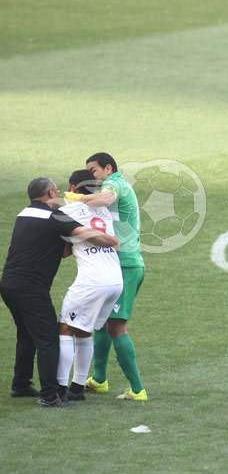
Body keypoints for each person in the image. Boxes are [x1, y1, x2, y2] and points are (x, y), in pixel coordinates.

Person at [0, 177, 118, 407]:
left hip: (9, 284)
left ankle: (21, 384)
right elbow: (93, 235)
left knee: (26, 334)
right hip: (31, 288)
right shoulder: (56, 217)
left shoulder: (24, 214)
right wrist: (112, 240)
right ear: (52, 192)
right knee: (48, 339)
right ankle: (50, 396)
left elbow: (59, 250)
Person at [71, 152, 147, 401]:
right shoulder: (118, 183)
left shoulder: (114, 183)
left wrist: (79, 198)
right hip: (121, 263)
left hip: (126, 264)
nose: (92, 175)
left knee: (117, 326)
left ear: (108, 168)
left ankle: (137, 390)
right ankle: (99, 379)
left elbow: (105, 199)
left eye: (93, 170)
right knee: (103, 322)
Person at [57, 170, 124, 401]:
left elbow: (63, 251)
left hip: (92, 280)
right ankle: (76, 389)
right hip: (115, 280)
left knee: (65, 328)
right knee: (84, 330)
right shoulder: (103, 210)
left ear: (72, 187)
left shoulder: (67, 211)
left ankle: (59, 386)